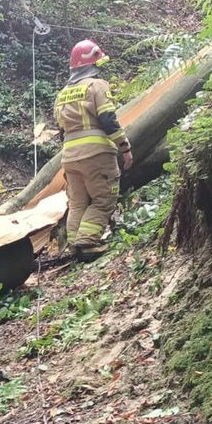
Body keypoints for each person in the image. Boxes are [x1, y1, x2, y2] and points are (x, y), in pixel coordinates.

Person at [54, 39, 133, 260]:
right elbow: (108, 119)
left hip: (69, 157)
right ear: (93, 62)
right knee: (103, 200)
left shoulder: (62, 94)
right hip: (96, 154)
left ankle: (72, 246)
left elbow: (61, 130)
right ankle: (87, 243)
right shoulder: (96, 85)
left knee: (78, 202)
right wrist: (124, 147)